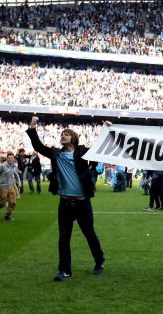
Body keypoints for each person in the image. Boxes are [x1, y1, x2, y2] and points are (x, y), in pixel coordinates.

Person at [26, 116, 105, 281]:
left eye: (66, 134)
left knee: (89, 234)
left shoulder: (83, 152)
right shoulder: (56, 154)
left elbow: (99, 148)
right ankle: (65, 270)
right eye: (62, 134)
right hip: (65, 203)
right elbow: (38, 146)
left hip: (83, 203)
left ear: (74, 138)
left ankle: (99, 261)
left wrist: (105, 128)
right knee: (64, 237)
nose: (63, 136)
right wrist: (33, 128)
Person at [0, 151, 20, 221]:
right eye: (9, 158)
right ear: (7, 158)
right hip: (3, 187)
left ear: (14, 159)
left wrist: (19, 184)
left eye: (12, 158)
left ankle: (8, 215)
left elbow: (16, 175)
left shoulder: (14, 166)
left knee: (13, 202)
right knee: (3, 203)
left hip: (11, 187)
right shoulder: (2, 166)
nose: (10, 159)